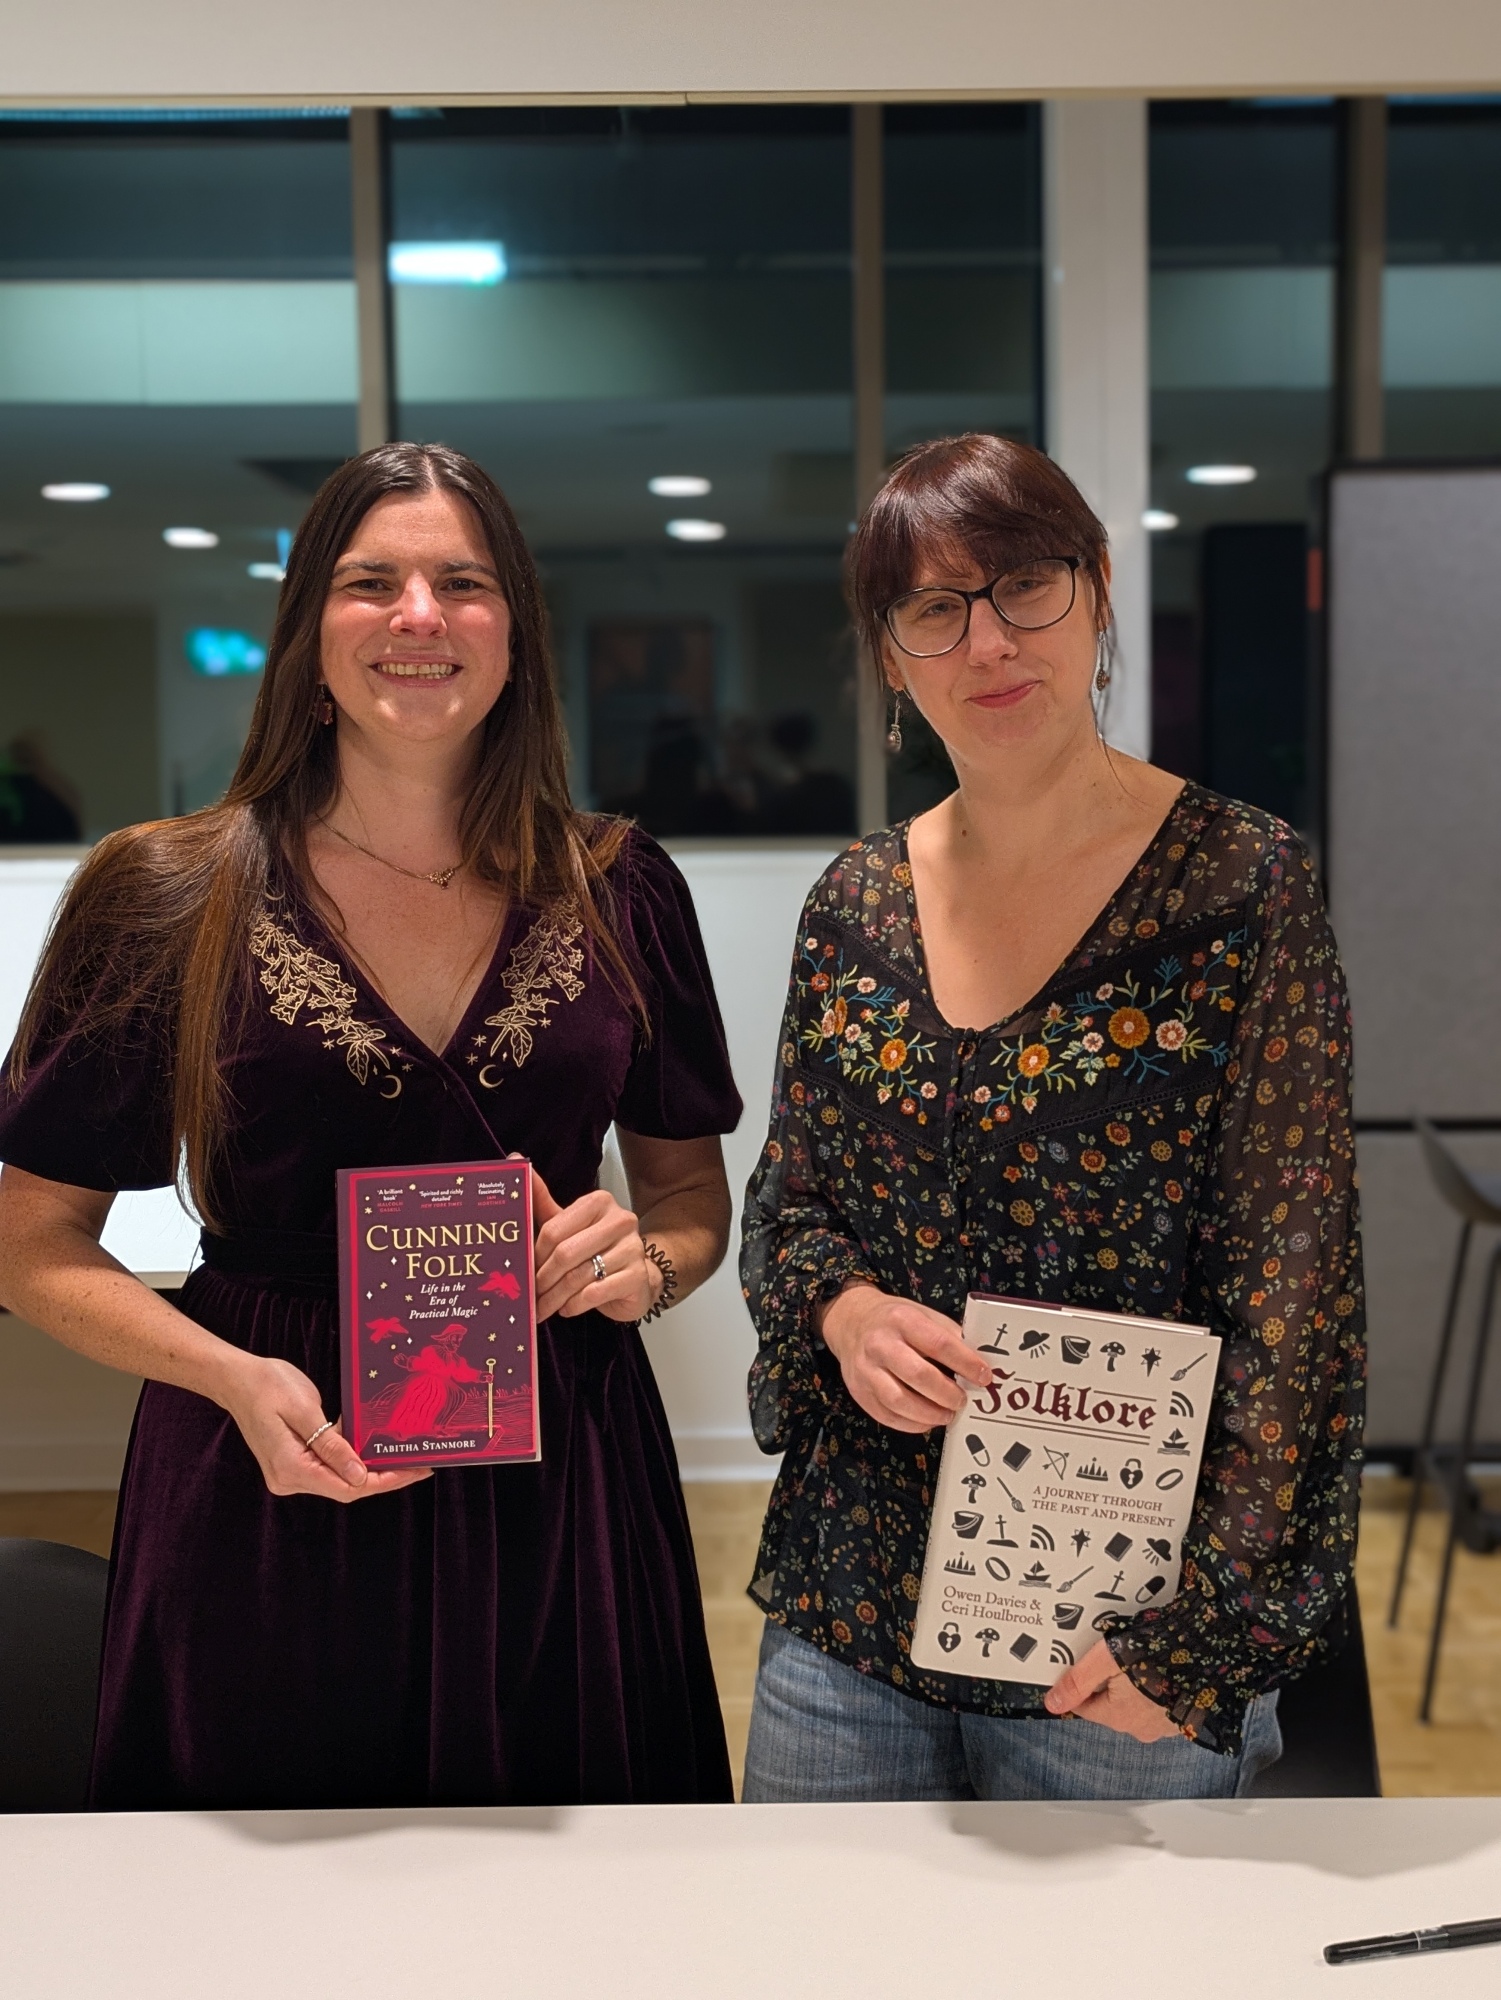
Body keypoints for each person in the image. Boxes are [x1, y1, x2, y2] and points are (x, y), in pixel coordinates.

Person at [0, 442, 742, 1809]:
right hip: (274, 1462)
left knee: (585, 1887)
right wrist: (231, 1377)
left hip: (559, 1469)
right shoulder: (166, 891)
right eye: (370, 583)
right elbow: (27, 1241)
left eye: (462, 582)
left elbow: (690, 1198)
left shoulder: (620, 886)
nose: (418, 615)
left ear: (514, 631)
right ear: (309, 629)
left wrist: (646, 1266)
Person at [739, 433, 1365, 1802]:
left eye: (1023, 585)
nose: (988, 641)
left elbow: (1294, 1291)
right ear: (890, 656)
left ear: (1095, 590)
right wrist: (843, 1312)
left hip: (1115, 1624)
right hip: (851, 1603)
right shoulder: (852, 907)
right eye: (933, 608)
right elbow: (791, 1207)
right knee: (811, 1929)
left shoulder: (1239, 884)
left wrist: (1203, 1636)